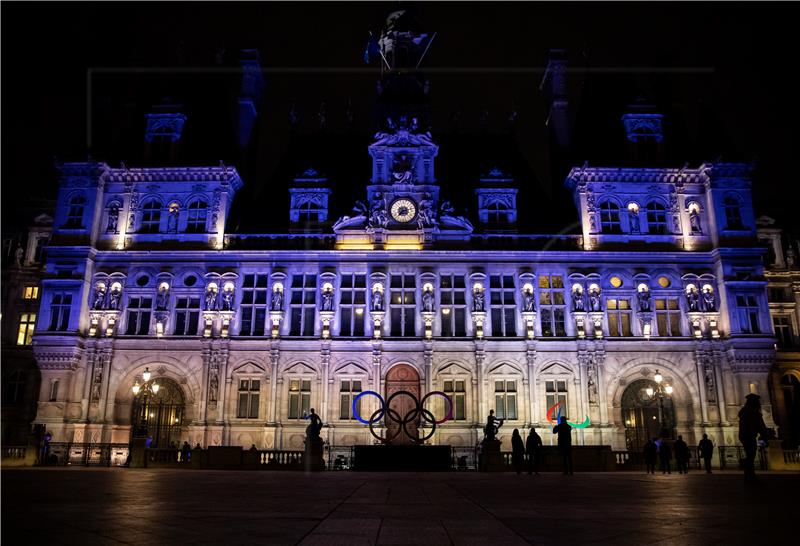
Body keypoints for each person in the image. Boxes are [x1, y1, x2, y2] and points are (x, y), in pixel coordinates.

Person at [738, 393, 769, 482]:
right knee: (751, 455)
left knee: (750, 455)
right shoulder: (754, 412)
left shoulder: (743, 411)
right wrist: (764, 438)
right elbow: (761, 426)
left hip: (743, 436)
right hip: (750, 436)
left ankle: (748, 474)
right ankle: (750, 475)